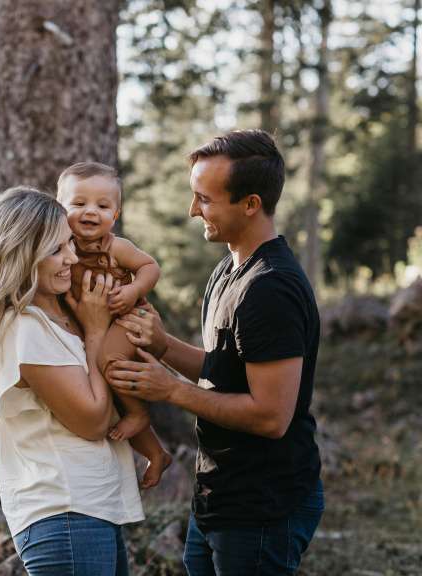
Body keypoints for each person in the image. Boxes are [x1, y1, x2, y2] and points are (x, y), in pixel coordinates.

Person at [107, 130, 323, 575]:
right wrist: (163, 345)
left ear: (251, 204)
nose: (193, 210)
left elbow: (270, 416)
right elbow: (225, 371)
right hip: (219, 494)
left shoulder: (271, 289)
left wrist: (171, 391)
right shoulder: (228, 269)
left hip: (263, 504)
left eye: (205, 199)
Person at [0, 187, 144, 575]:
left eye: (69, 243)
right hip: (64, 513)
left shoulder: (54, 318)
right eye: (55, 250)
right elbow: (92, 421)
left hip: (86, 509)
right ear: (21, 256)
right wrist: (97, 330)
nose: (71, 257)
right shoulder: (24, 329)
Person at [57, 161, 171, 488]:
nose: (90, 211)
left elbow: (150, 266)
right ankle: (156, 454)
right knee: (114, 397)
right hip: (103, 327)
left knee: (109, 364)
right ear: (60, 208)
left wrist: (134, 289)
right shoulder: (61, 249)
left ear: (115, 216)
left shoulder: (116, 247)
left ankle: (140, 415)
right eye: (78, 204)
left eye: (103, 206)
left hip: (131, 320)